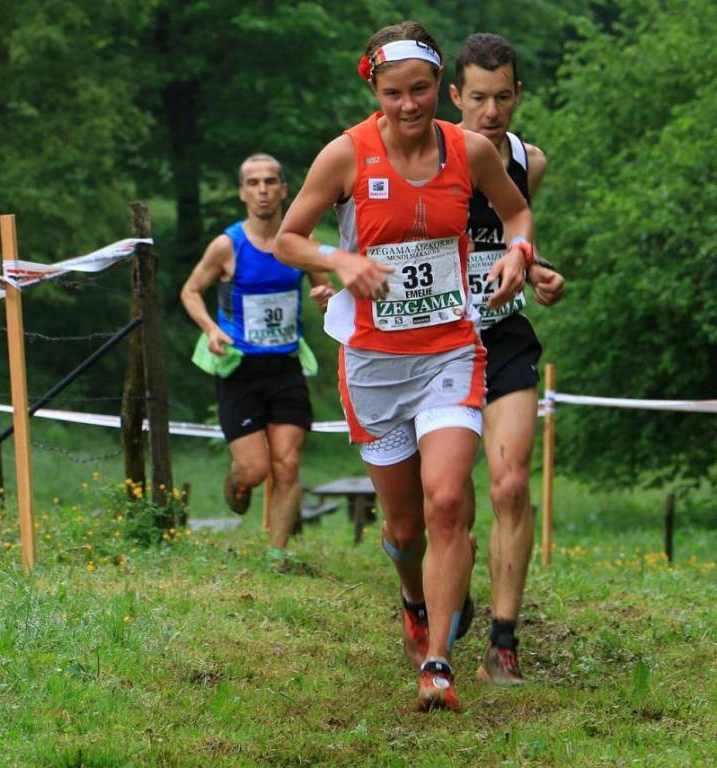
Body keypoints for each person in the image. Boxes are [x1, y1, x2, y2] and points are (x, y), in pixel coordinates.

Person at [275, 21, 534, 711]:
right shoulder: (346, 155)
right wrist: (340, 260)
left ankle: (439, 666)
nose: (410, 104)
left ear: (439, 84)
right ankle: (413, 596)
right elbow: (288, 239)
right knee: (404, 528)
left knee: (447, 501)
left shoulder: (469, 150)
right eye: (394, 93)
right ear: (375, 90)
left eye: (421, 89)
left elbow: (517, 214)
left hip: (451, 350)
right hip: (374, 363)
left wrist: (519, 253)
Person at [449, 32, 565, 683]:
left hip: (502, 336)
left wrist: (538, 269)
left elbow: (515, 234)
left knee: (511, 483)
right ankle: (448, 581)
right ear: (455, 96)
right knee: (450, 507)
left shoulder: (528, 162)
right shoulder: (426, 160)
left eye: (502, 97)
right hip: (436, 346)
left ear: (517, 94)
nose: (491, 112)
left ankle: (503, 641)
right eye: (478, 98)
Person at [180, 154, 334, 558]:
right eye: (253, 183)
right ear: (242, 193)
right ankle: (238, 476)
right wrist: (210, 329)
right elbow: (190, 291)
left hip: (286, 366)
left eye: (270, 182)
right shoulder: (227, 245)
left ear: (283, 190)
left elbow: (326, 291)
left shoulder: (299, 243)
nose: (262, 190)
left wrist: (327, 296)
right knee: (256, 469)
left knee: (288, 464)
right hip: (240, 369)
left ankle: (278, 553)